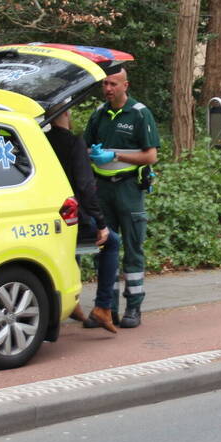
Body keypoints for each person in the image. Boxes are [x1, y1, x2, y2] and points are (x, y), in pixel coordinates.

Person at [83, 68, 159, 329]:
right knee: (104, 247)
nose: (108, 88)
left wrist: (115, 157)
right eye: (105, 83)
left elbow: (150, 156)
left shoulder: (139, 113)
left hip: (128, 189)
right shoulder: (98, 114)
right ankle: (107, 308)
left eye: (113, 83)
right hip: (101, 189)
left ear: (125, 85)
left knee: (132, 249)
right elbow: (85, 147)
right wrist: (92, 154)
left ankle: (134, 308)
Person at [47, 108, 119, 333]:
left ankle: (74, 303)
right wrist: (101, 223)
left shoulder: (41, 140)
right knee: (112, 242)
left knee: (71, 250)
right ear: (67, 113)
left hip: (45, 215)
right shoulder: (73, 142)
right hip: (70, 215)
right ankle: (103, 307)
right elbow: (85, 187)